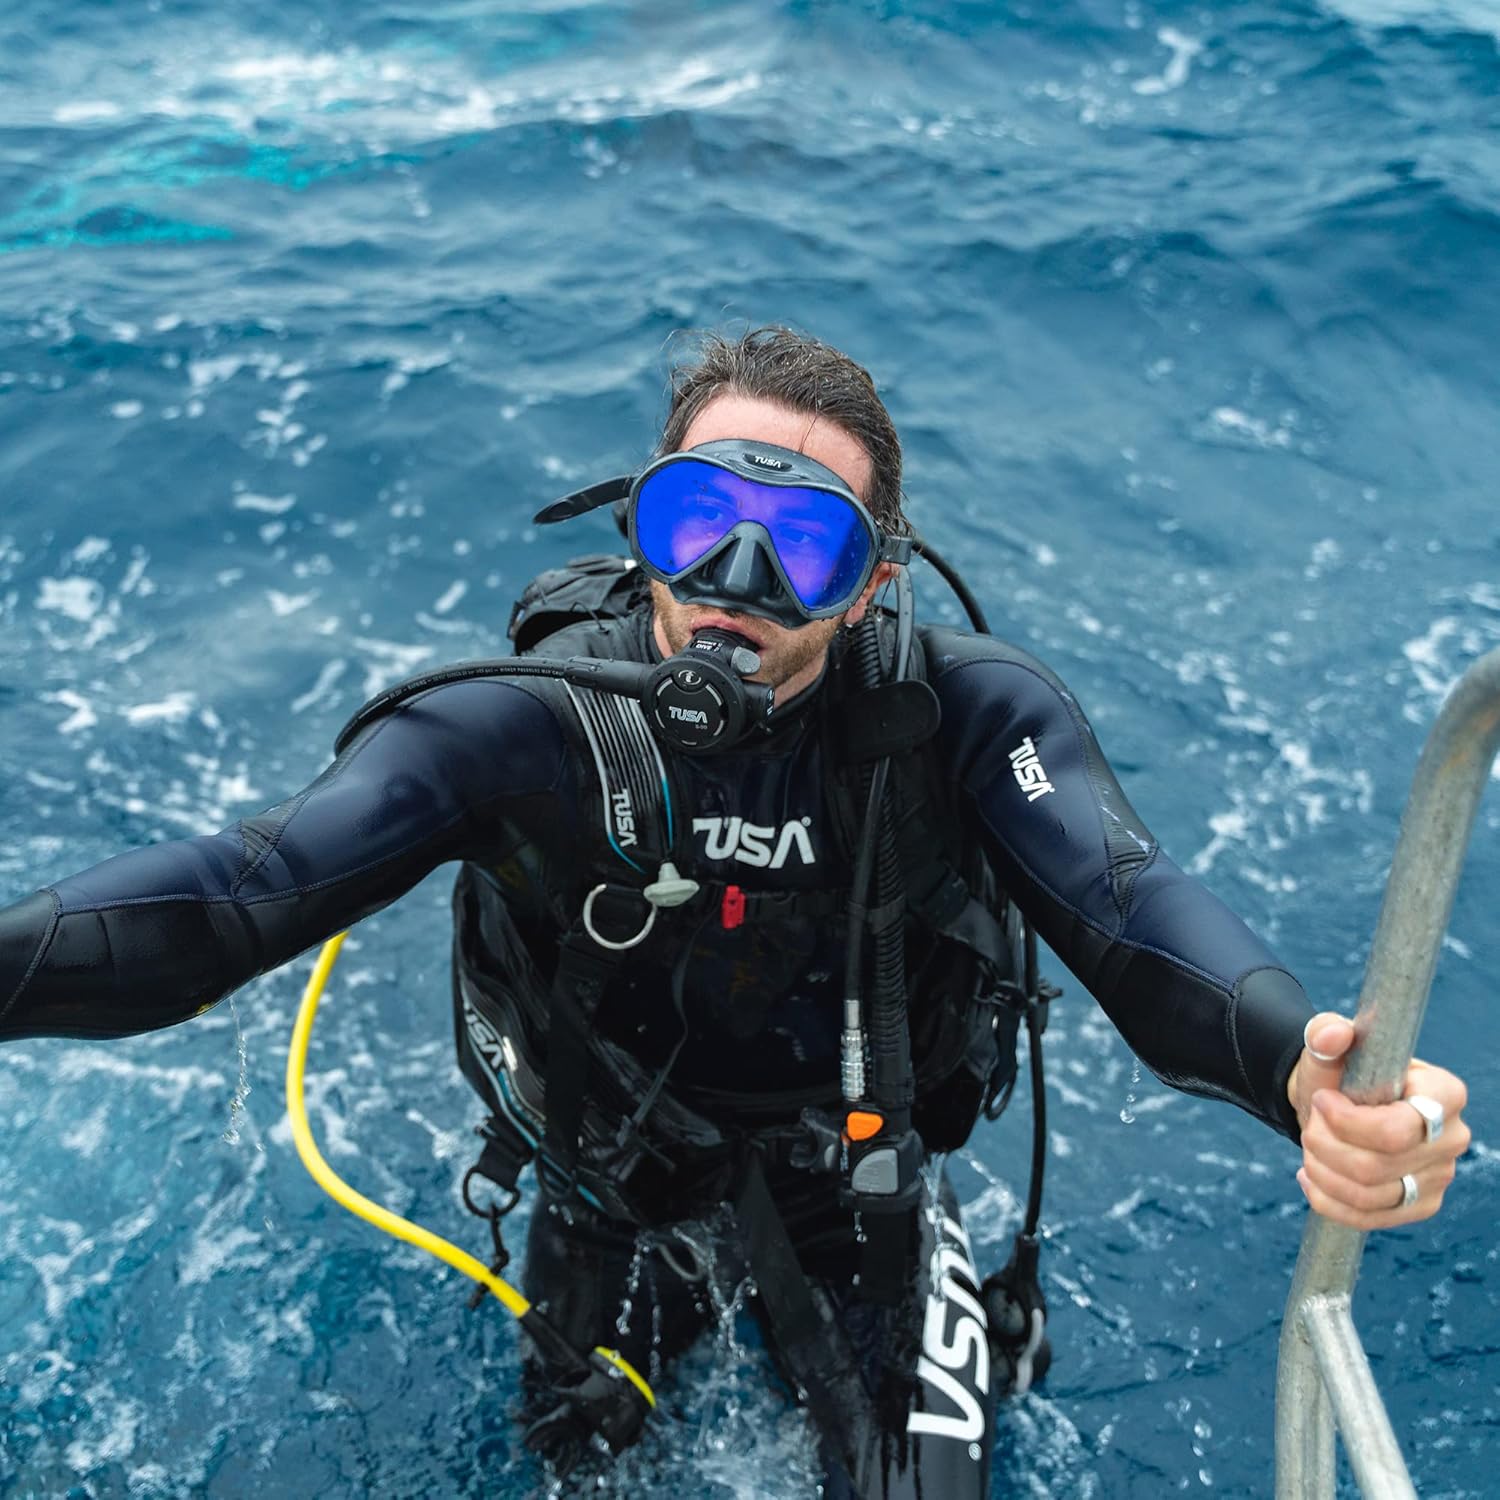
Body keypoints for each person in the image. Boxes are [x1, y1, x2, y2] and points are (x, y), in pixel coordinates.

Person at [0, 326, 1470, 1497]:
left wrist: (1305, 1078)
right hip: (610, 1187)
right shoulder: (522, 727)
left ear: (872, 583)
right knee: (574, 1457)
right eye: (700, 521)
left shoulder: (966, 723)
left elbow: (1126, 903)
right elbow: (242, 889)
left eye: (802, 547)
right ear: (640, 528)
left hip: (866, 1186)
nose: (738, 585)